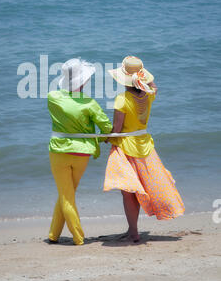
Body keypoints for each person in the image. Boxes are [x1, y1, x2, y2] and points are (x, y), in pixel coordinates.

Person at [103, 56, 185, 243]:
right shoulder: (149, 95)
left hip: (126, 148)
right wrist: (145, 78)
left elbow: (117, 130)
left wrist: (106, 138)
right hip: (145, 146)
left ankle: (133, 232)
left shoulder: (122, 99)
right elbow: (155, 87)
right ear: (142, 77)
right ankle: (133, 231)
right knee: (138, 189)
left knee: (128, 191)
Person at [48, 58, 112, 245]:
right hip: (82, 155)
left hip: (58, 152)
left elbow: (63, 99)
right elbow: (106, 127)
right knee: (67, 194)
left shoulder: (52, 98)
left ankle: (74, 237)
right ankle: (59, 235)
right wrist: (101, 138)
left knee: (66, 195)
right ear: (82, 81)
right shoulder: (90, 103)